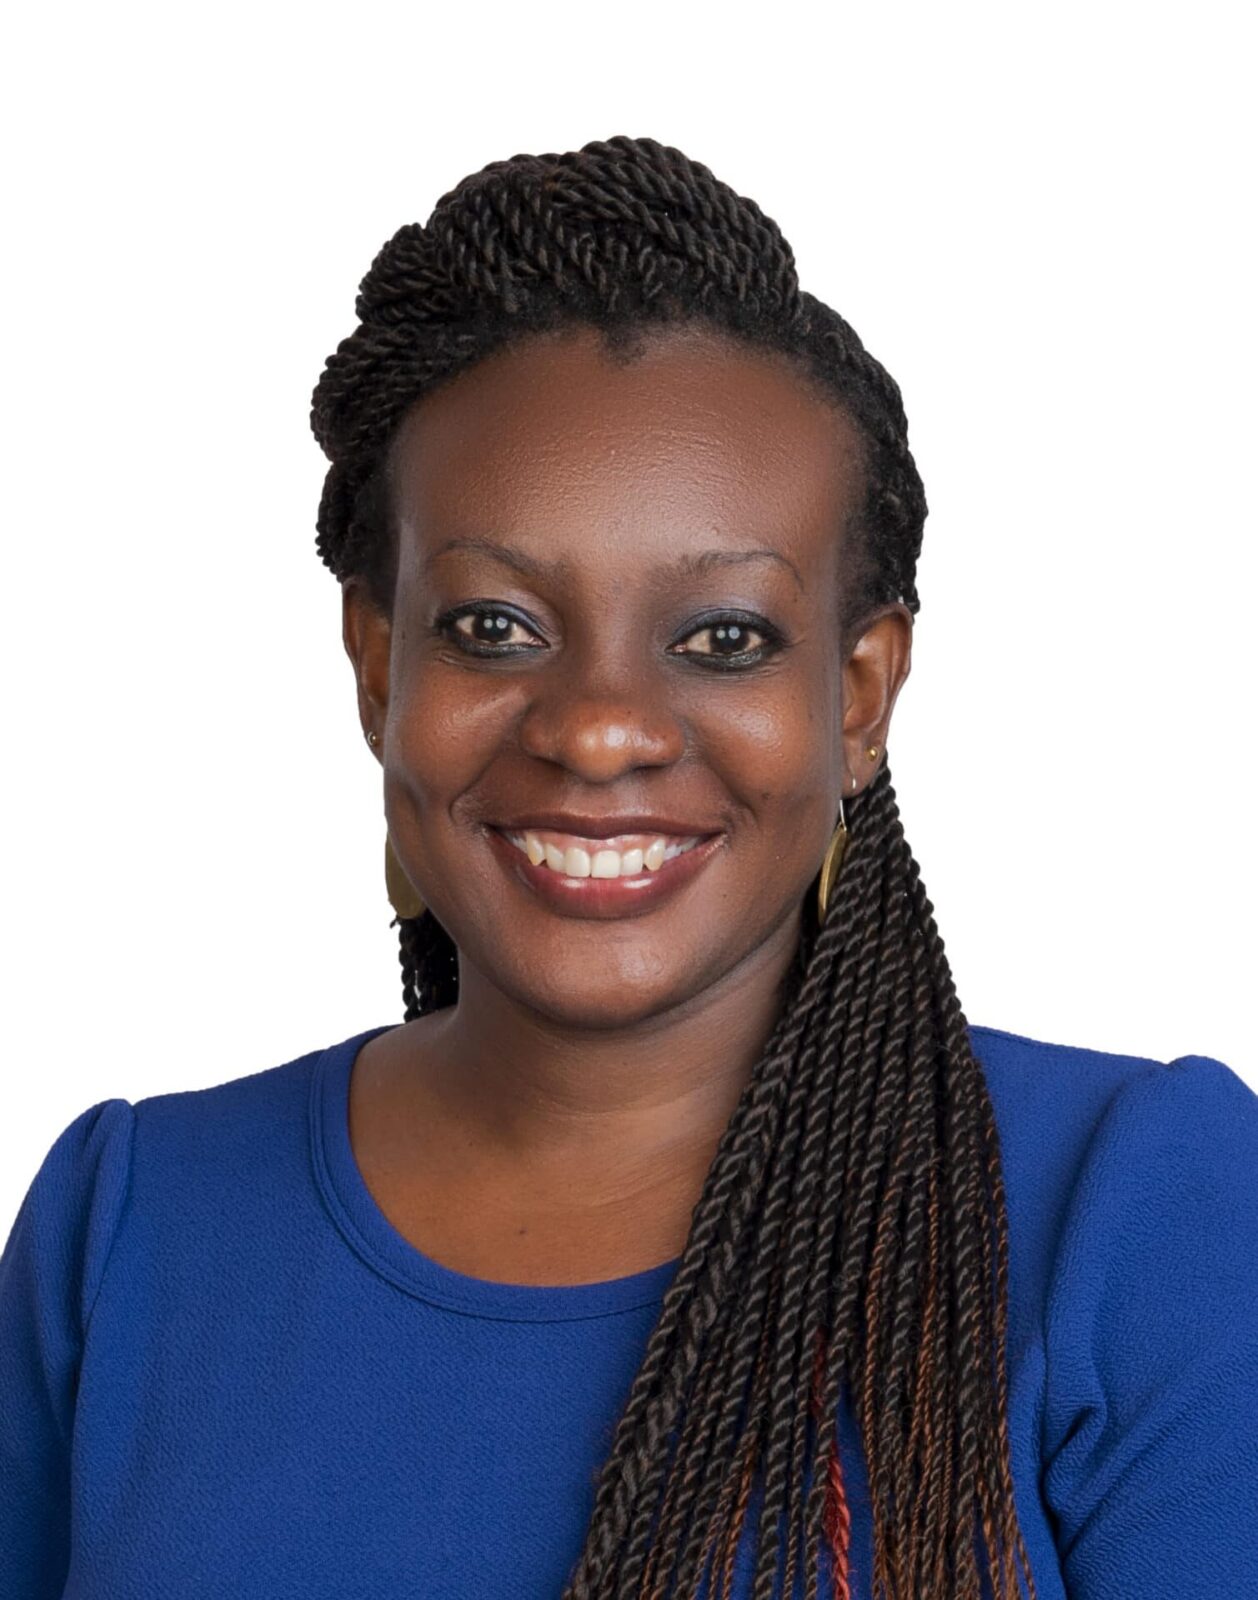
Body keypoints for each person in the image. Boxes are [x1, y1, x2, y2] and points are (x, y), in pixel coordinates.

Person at [1, 134, 1255, 1600]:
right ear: (372, 663)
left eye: (721, 637)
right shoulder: (131, 1219)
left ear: (856, 693)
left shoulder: (1135, 1209)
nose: (597, 729)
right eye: (493, 628)